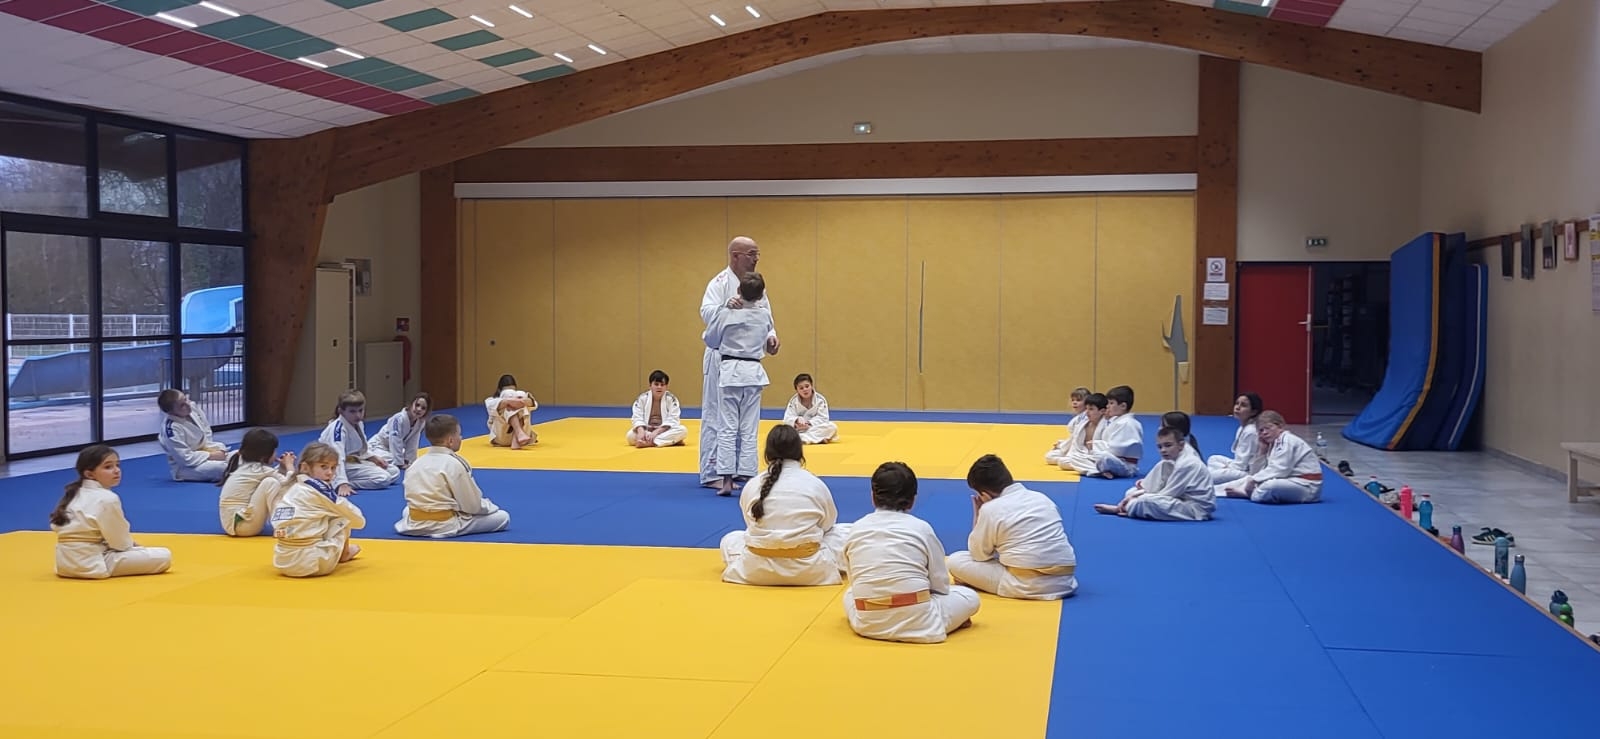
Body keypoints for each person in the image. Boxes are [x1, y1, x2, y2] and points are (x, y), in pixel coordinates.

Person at [841, 461, 981, 644]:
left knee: (849, 594)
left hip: (869, 622)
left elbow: (855, 580)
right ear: (913, 499)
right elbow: (940, 585)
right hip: (921, 621)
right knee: (969, 597)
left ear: (872, 497)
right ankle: (943, 620)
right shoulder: (921, 529)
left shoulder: (856, 528)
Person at [720, 425, 850, 586]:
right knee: (847, 533)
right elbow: (828, 524)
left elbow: (750, 524)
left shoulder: (753, 484)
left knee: (730, 539)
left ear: (767, 454)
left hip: (756, 568)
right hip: (809, 569)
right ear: (799, 452)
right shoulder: (814, 484)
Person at [699, 236, 778, 487]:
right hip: (721, 358)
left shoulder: (756, 285)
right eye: (751, 254)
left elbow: (767, 318)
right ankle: (713, 472)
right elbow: (706, 313)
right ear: (735, 256)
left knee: (745, 423)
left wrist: (772, 338)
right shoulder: (720, 283)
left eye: (757, 254)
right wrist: (725, 306)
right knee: (717, 417)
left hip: (747, 361)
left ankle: (743, 470)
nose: (756, 259)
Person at [947, 454, 1078, 600]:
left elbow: (979, 555)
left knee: (955, 561)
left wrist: (978, 514)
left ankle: (977, 582)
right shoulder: (1042, 498)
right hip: (1065, 581)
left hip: (1024, 585)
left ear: (985, 494)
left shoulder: (991, 509)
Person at [50, 445, 172, 580]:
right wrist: (133, 547)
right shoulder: (107, 499)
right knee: (164, 555)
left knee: (137, 549)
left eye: (117, 465)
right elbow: (120, 544)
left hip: (64, 564)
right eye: (108, 467)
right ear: (89, 474)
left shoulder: (74, 493)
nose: (116, 471)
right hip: (93, 564)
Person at [394, 414, 511, 538]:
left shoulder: (416, 464)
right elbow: (471, 505)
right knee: (502, 517)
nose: (461, 438)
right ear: (450, 441)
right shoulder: (454, 464)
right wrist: (489, 506)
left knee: (407, 510)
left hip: (415, 522)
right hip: (444, 524)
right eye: (459, 435)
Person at [271, 442, 365, 577]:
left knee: (319, 517)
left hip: (282, 561)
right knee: (343, 515)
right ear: (305, 467)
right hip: (314, 564)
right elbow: (358, 520)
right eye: (323, 466)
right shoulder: (318, 489)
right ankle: (344, 553)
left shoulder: (291, 486)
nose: (330, 473)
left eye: (333, 468)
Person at [1096, 419, 1215, 522]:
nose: (1163, 450)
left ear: (1181, 445)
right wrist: (1136, 493)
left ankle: (1122, 509)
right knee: (1131, 492)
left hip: (1195, 509)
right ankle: (1129, 506)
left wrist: (1133, 498)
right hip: (1180, 498)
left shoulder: (1187, 464)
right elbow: (1154, 486)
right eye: (1160, 447)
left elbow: (1168, 494)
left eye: (1168, 445)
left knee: (1143, 502)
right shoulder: (1171, 459)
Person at [1221, 411, 1322, 504]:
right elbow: (1255, 472)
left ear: (1280, 426)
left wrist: (1254, 480)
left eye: (1268, 428)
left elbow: (1281, 469)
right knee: (1247, 479)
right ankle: (1218, 489)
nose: (1264, 432)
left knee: (1269, 486)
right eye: (1261, 430)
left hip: (1306, 485)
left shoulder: (1287, 440)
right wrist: (1262, 451)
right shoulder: (1272, 444)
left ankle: (1249, 494)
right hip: (1289, 480)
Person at [318, 389, 399, 495]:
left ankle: (346, 480)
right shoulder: (337, 430)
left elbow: (361, 448)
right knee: (383, 478)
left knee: (394, 471)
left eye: (360, 410)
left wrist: (372, 457)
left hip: (352, 462)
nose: (357, 415)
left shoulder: (358, 423)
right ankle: (335, 483)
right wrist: (341, 483)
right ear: (341, 411)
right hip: (332, 465)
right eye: (352, 411)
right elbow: (337, 457)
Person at [218, 428, 296, 537]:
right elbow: (289, 484)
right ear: (264, 456)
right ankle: (282, 526)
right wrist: (289, 465)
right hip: (243, 526)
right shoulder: (260, 469)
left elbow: (277, 477)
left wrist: (282, 468)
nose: (276, 454)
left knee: (270, 482)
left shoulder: (244, 464)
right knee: (271, 483)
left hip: (233, 524)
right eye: (274, 451)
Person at [156, 388, 229, 482]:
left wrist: (213, 451)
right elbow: (185, 458)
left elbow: (206, 430)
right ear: (171, 412)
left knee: (240, 457)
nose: (188, 404)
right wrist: (211, 455)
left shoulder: (192, 407)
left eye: (185, 399)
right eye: (182, 405)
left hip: (205, 451)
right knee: (222, 468)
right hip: (186, 467)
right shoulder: (172, 429)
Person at [1208, 393, 1263, 484]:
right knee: (1213, 459)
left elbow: (1243, 465)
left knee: (1209, 476)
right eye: (1237, 403)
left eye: (1243, 405)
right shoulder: (1242, 428)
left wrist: (1228, 468)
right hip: (1237, 466)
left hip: (1247, 472)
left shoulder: (1251, 431)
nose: (1237, 407)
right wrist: (1227, 467)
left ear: (1253, 412)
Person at [1089, 385, 1142, 478]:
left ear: (1123, 406)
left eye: (1111, 403)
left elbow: (1116, 450)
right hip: (1112, 459)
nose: (1107, 406)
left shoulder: (1128, 423)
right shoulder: (1116, 420)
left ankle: (1099, 469)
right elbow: (1105, 440)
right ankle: (1101, 470)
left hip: (1125, 465)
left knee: (1104, 457)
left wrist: (1096, 445)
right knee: (1077, 457)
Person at [628, 370, 688, 448]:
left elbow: (673, 419)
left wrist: (656, 432)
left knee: (683, 430)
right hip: (647, 430)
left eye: (662, 385)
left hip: (663, 430)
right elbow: (637, 416)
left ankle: (650, 443)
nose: (659, 387)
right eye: (656, 384)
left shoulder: (671, 399)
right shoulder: (642, 398)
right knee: (629, 436)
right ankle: (670, 441)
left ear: (666, 387)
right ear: (650, 385)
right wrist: (641, 431)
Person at [371, 392, 431, 469]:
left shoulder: (420, 422)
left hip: (391, 449)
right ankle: (371, 457)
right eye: (417, 405)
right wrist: (399, 463)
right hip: (379, 446)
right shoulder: (398, 419)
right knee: (390, 460)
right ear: (411, 404)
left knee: (411, 460)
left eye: (423, 408)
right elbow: (395, 440)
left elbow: (413, 442)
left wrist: (408, 460)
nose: (419, 409)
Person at [1056, 392, 1107, 473]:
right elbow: (1074, 440)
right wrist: (1062, 445)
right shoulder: (1083, 423)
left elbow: (1109, 447)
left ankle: (1097, 470)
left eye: (1091, 409)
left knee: (1068, 461)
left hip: (1096, 457)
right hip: (1081, 455)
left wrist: (1095, 446)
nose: (1087, 412)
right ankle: (1097, 469)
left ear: (1102, 411)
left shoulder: (1106, 426)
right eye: (1086, 408)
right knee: (1057, 459)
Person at [783, 373, 838, 444]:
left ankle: (800, 438)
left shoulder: (820, 400)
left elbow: (824, 418)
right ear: (797, 390)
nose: (805, 389)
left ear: (811, 386)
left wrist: (809, 423)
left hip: (813, 428)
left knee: (832, 427)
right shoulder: (793, 401)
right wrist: (796, 420)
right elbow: (787, 419)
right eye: (801, 388)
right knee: (784, 431)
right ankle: (817, 439)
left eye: (807, 386)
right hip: (798, 429)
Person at [486, 374, 538, 449]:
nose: (511, 394)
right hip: (502, 438)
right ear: (499, 390)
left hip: (524, 437)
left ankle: (516, 438)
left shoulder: (519, 397)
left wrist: (521, 401)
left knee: (521, 397)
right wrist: (509, 401)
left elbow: (534, 404)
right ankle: (519, 433)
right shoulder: (491, 401)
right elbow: (498, 404)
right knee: (508, 405)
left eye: (513, 391)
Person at [1044, 386, 1092, 466]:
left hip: (1081, 448)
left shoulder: (1087, 417)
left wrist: (1062, 446)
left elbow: (1078, 438)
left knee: (1062, 462)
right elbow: (1073, 438)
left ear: (1087, 403)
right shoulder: (1078, 417)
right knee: (1049, 456)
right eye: (1073, 400)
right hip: (1072, 446)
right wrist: (1062, 443)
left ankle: (1084, 462)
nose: (1074, 402)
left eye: (1078, 400)